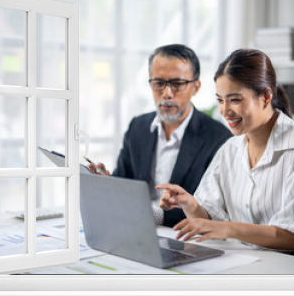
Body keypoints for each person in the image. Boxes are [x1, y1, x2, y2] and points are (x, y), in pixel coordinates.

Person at [156, 49, 294, 252]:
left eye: (235, 99)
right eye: (220, 100)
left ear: (265, 97)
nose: (224, 110)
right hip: (244, 263)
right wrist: (190, 205)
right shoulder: (228, 150)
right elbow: (209, 223)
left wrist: (231, 229)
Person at [88, 44, 232, 227]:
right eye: (158, 83)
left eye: (177, 84)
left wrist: (153, 215)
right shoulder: (137, 127)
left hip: (183, 237)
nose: (166, 93)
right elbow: (124, 182)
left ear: (196, 87)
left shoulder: (218, 138)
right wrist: (107, 186)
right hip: (134, 228)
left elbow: (212, 211)